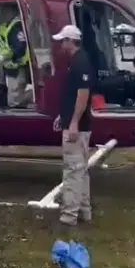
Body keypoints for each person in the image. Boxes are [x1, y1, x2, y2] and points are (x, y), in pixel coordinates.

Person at [51, 24, 94, 227]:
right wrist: (64, 115)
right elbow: (73, 95)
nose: (60, 44)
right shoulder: (79, 60)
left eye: (62, 41)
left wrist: (74, 122)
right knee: (81, 170)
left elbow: (82, 95)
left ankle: (69, 215)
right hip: (75, 122)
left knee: (72, 170)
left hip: (77, 126)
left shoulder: (80, 63)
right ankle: (84, 211)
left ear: (70, 41)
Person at [0, 4, 30, 109]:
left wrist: (2, 57)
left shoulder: (17, 26)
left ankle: (30, 97)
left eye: (5, 10)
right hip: (7, 66)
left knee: (15, 101)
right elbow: (2, 43)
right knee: (5, 89)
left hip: (17, 65)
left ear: (12, 11)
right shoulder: (5, 25)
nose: (2, 13)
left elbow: (20, 48)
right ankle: (3, 98)